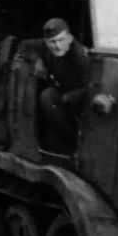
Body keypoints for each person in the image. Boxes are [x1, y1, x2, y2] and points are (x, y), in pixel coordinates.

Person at [15, 18, 91, 151]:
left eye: (61, 40)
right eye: (52, 42)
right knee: (48, 96)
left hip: (79, 102)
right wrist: (37, 60)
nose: (57, 46)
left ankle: (75, 145)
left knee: (49, 97)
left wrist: (72, 96)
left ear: (69, 38)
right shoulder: (44, 46)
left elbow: (91, 88)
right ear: (46, 42)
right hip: (60, 98)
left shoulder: (80, 56)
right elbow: (23, 45)